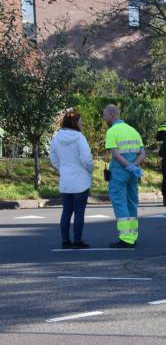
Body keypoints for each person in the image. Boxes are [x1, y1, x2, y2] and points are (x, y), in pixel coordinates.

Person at [49, 109, 93, 249]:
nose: (81, 124)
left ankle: (65, 240)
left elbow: (53, 157)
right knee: (79, 211)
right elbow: (86, 158)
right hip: (80, 179)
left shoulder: (57, 137)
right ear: (75, 122)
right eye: (80, 121)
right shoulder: (80, 137)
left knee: (66, 211)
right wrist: (90, 169)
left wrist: (61, 168)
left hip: (65, 179)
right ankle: (77, 240)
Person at [103, 104, 145, 248]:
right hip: (133, 173)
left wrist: (127, 165)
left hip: (119, 172)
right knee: (132, 202)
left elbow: (115, 154)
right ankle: (132, 235)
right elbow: (142, 153)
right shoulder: (133, 130)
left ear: (112, 115)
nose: (104, 118)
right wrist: (134, 166)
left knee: (120, 203)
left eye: (105, 115)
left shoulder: (112, 131)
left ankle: (126, 238)